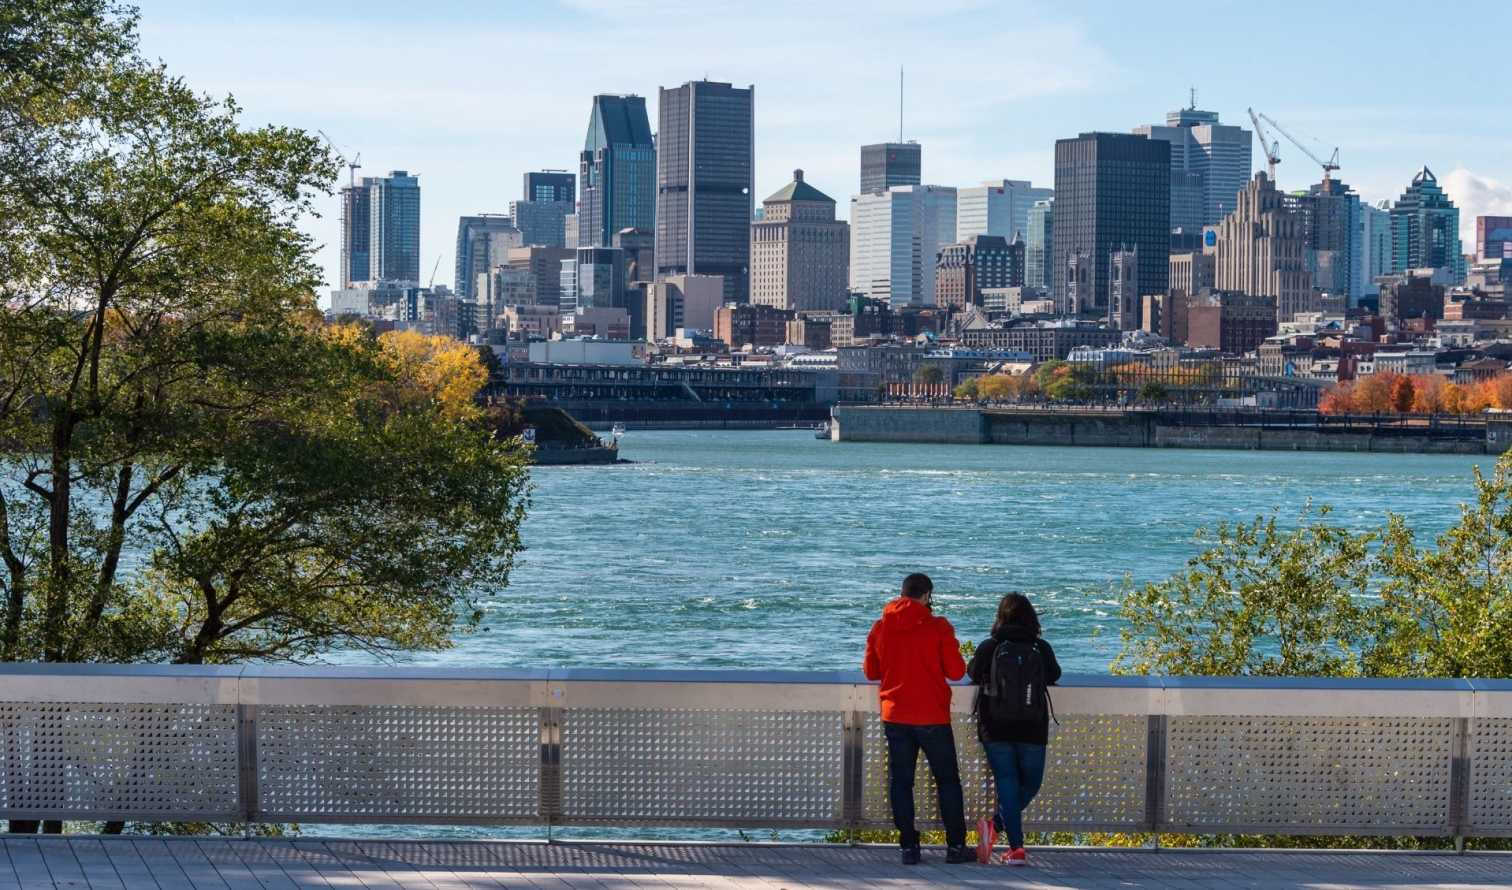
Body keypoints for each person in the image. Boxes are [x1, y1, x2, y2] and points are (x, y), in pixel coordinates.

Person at [862, 573, 972, 866]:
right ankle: (956, 846)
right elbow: (957, 672)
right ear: (927, 596)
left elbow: (871, 672)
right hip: (932, 716)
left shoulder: (881, 627)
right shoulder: (938, 627)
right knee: (948, 781)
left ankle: (909, 847)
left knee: (901, 782)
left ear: (902, 594)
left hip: (895, 715)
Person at [968, 593, 1060, 867]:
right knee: (1031, 784)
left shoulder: (990, 646)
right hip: (1033, 725)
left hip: (994, 724)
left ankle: (995, 826)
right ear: (1031, 617)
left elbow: (972, 673)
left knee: (1007, 780)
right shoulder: (1040, 647)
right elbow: (1054, 675)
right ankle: (1015, 847)